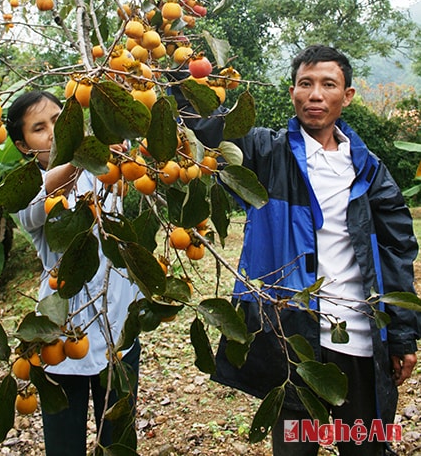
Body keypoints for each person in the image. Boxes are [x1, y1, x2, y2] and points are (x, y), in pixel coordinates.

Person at [172, 44, 420, 455]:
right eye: (306, 84)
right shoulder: (264, 153)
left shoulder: (370, 170)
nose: (316, 95)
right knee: (293, 449)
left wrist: (402, 334)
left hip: (360, 339)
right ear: (292, 93)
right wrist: (177, 64)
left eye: (328, 84)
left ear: (348, 95)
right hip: (293, 342)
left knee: (366, 448)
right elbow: (203, 129)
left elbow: (397, 249)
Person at [6, 90, 140, 456]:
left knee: (119, 437)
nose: (52, 132)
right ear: (22, 145)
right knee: (64, 444)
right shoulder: (25, 192)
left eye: (57, 120)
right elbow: (50, 189)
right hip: (60, 335)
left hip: (117, 322)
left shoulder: (102, 170)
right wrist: (90, 151)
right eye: (39, 128)